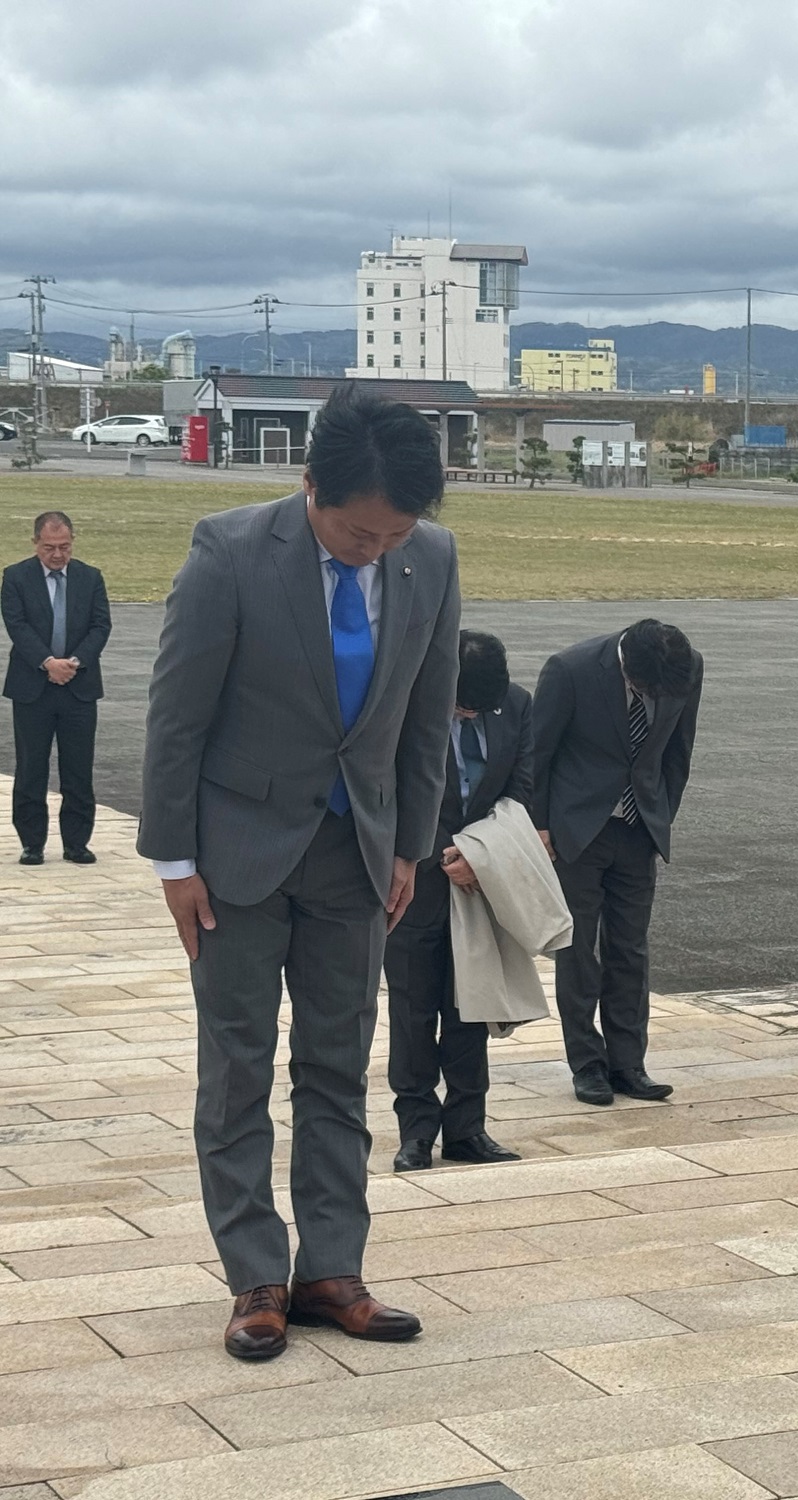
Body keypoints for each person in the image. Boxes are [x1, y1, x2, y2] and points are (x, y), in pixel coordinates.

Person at [138, 388, 461, 1360]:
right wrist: (173, 860)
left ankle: (331, 1269)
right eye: (357, 532)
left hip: (357, 853)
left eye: (393, 534)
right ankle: (254, 1276)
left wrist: (407, 840)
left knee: (336, 1063)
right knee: (236, 1071)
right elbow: (176, 717)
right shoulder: (229, 553)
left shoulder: (429, 557)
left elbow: (426, 709)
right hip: (235, 856)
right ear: (309, 484)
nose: (375, 549)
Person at [531, 618, 701, 1107]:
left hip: (638, 829)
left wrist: (660, 815)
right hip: (575, 833)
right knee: (579, 951)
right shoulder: (570, 669)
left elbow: (678, 751)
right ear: (628, 663)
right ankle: (587, 1065)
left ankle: (629, 1064)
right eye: (641, 688)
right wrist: (540, 826)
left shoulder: (685, 667)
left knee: (630, 950)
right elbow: (538, 753)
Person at [386, 629, 532, 1172]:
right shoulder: (402, 703)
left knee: (472, 1006)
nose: (471, 718)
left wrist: (481, 854)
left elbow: (523, 788)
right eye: (462, 708)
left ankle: (468, 1129)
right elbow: (379, 788)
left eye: (480, 710)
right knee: (413, 1008)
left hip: (478, 884)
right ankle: (416, 1130)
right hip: (412, 884)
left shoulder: (515, 704)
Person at [3, 511, 111, 865]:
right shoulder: (15, 577)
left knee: (78, 768)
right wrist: (48, 662)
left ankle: (76, 842)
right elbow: (17, 626)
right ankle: (32, 842)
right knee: (32, 767)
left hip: (78, 687)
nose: (57, 554)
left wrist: (73, 663)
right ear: (35, 543)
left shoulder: (90, 577)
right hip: (33, 687)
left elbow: (100, 626)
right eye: (49, 547)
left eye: (64, 546)